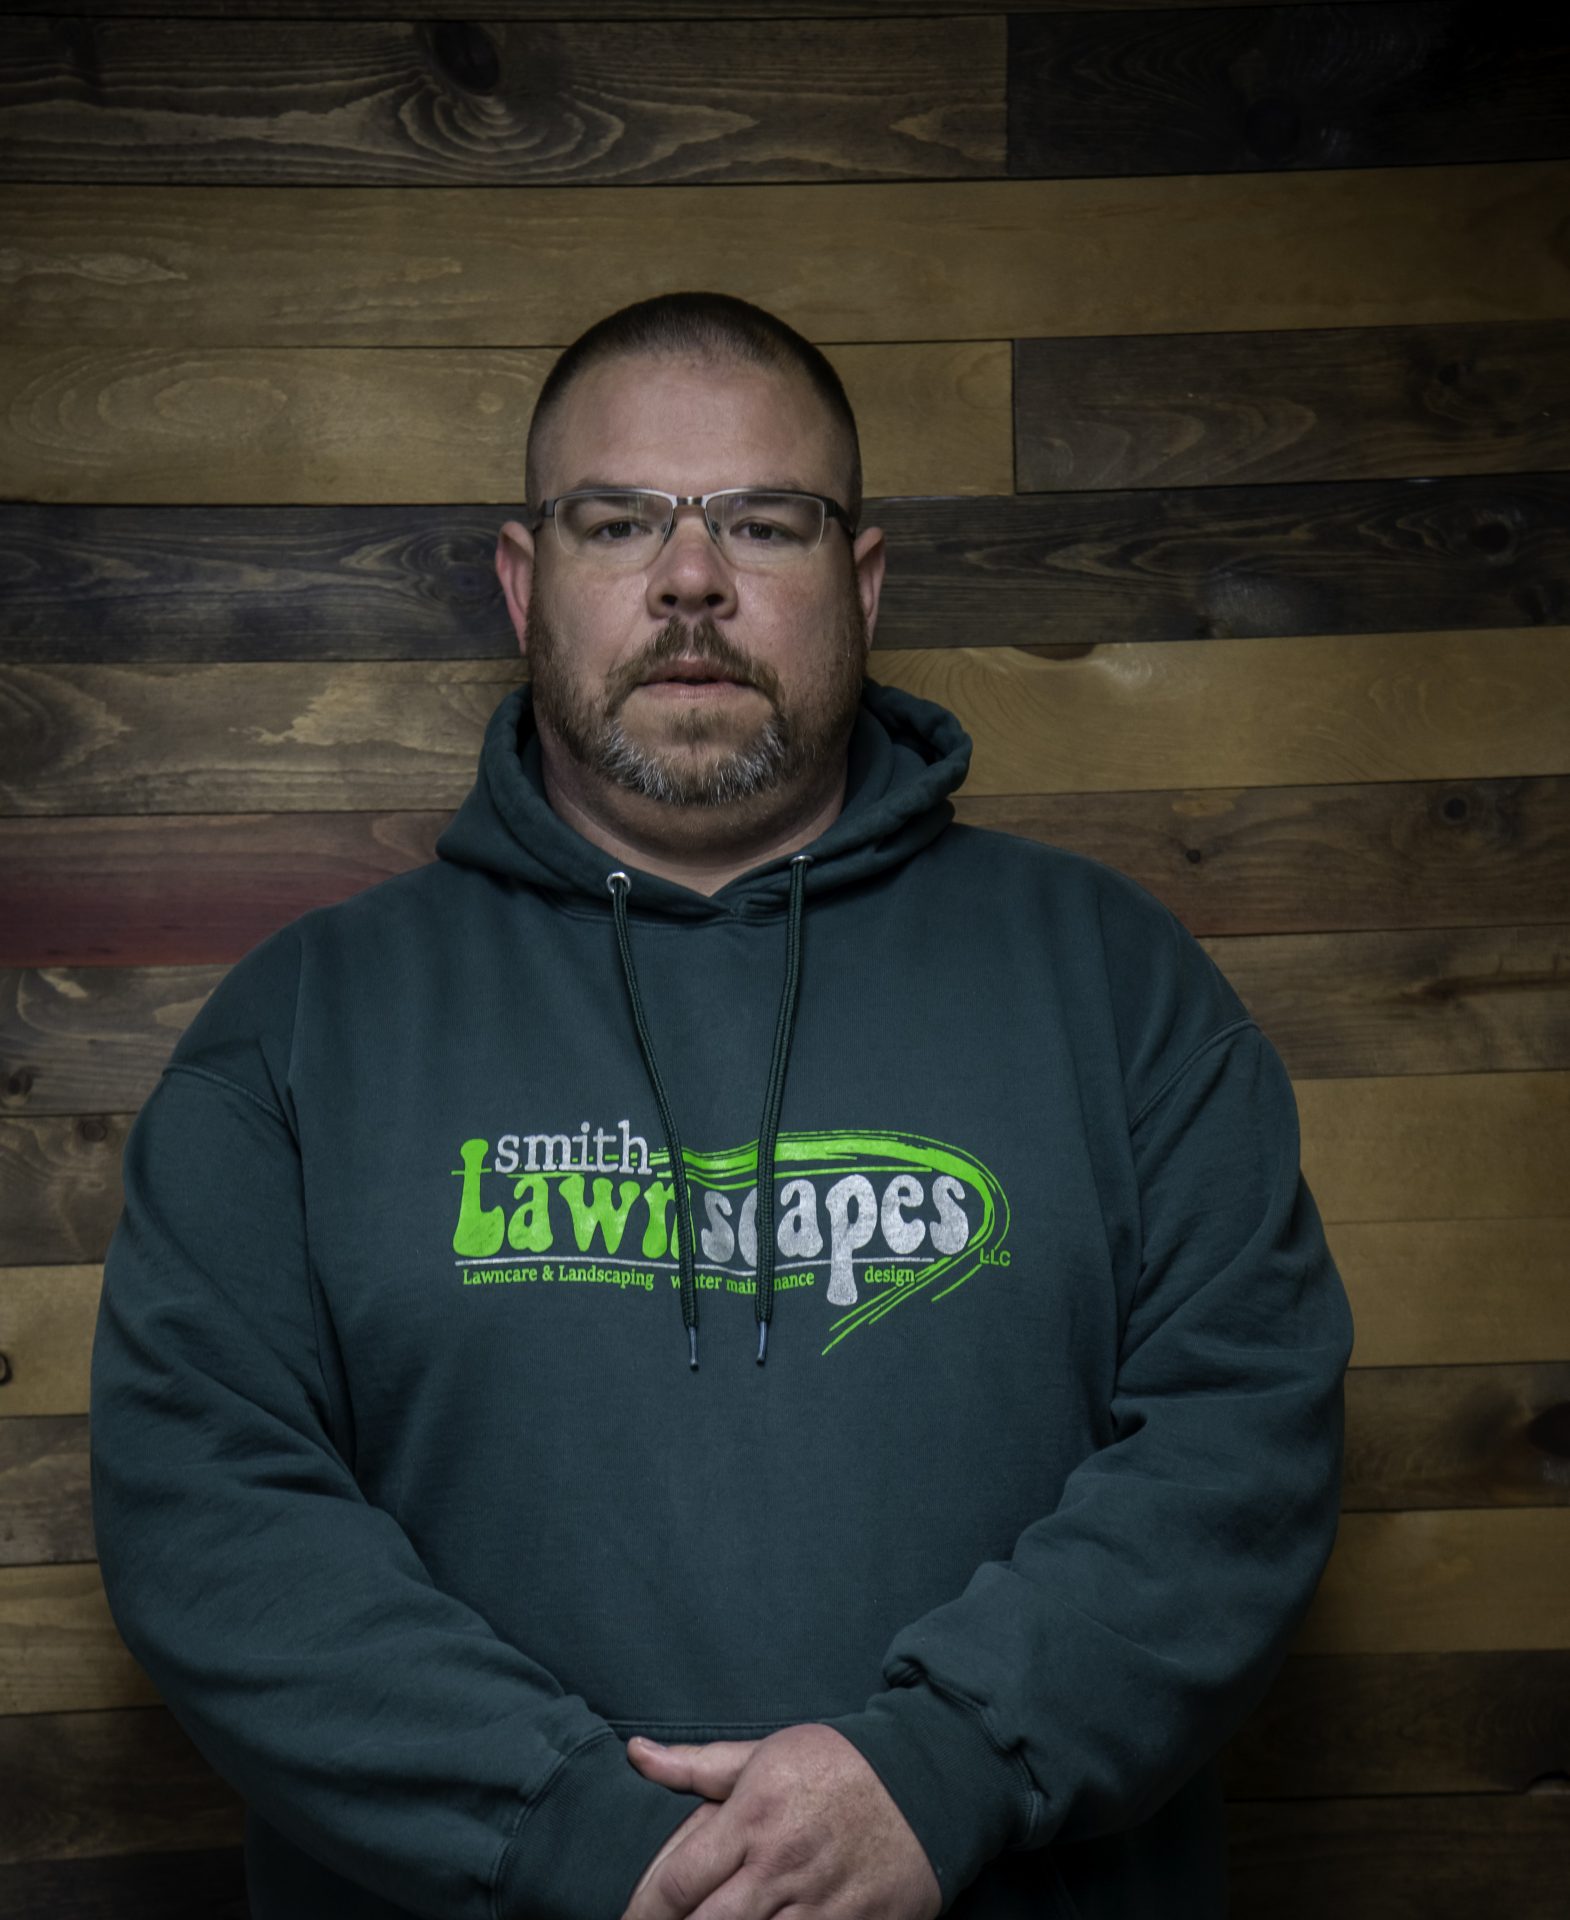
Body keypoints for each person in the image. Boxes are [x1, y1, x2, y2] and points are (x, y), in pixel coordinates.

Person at [89, 290, 1355, 1920]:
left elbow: (1239, 1441)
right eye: (618, 520)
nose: (692, 578)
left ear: (863, 578)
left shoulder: (1112, 981)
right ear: (524, 579)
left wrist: (940, 1767)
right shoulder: (303, 1025)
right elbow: (209, 1516)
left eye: (763, 519)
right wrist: (592, 1840)